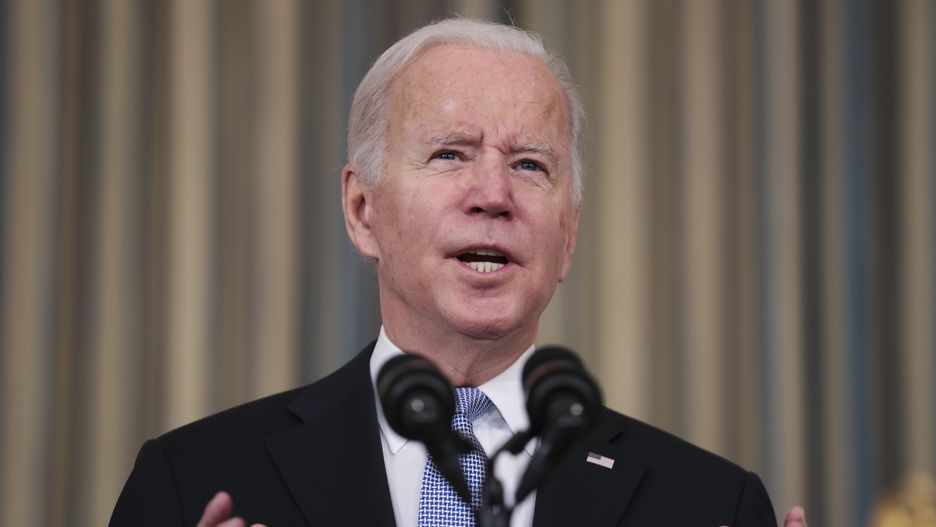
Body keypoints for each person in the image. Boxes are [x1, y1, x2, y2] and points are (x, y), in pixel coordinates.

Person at [110, 18, 807, 527]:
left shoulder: (708, 506)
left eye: (530, 164)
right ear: (362, 210)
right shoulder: (191, 484)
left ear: (568, 237)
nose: (493, 194)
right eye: (450, 153)